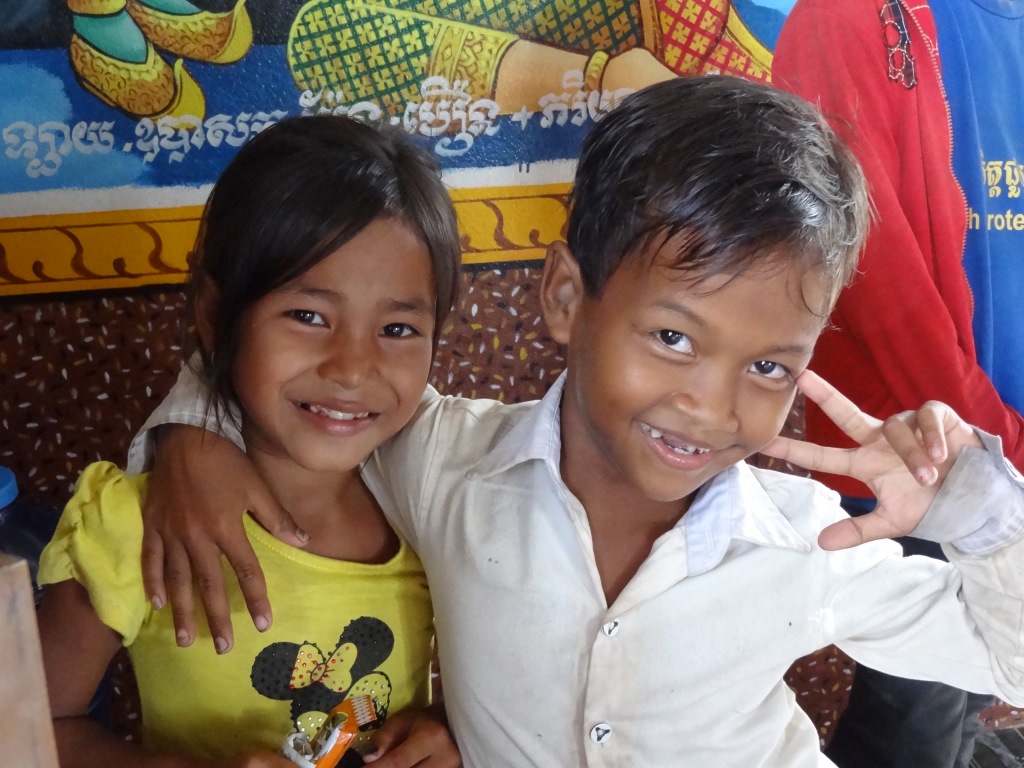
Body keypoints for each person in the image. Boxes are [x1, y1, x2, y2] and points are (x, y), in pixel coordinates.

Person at [129, 76, 1024, 767]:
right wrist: (194, 432)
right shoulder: (446, 465)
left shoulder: (803, 542)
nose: (712, 407)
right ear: (564, 295)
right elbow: (323, 389)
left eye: (769, 367)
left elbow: (1006, 665)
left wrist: (983, 518)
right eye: (673, 337)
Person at [34, 114, 464, 768]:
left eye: (398, 329)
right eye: (308, 316)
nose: (353, 368)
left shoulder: (433, 510)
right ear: (216, 315)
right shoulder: (140, 523)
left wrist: (443, 727)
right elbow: (27, 724)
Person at [771, 1, 1024, 765]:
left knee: (983, 679)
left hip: (1001, 440)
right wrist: (999, 443)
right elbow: (878, 277)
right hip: (918, 447)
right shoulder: (848, 17)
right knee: (920, 706)